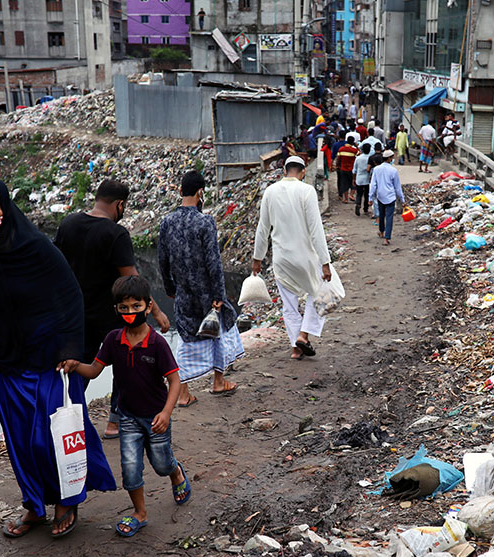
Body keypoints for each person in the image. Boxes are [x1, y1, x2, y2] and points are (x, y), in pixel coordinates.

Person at [0, 176, 116, 539]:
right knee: (21, 442)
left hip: (50, 362)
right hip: (4, 366)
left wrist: (70, 353)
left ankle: (66, 501)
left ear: (6, 207)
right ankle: (34, 504)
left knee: (52, 438)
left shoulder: (36, 249)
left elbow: (70, 298)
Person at [59, 276, 188, 538]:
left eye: (136, 306)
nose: (130, 312)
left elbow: (174, 380)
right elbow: (94, 370)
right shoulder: (113, 340)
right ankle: (140, 513)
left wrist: (166, 412)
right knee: (130, 468)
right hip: (127, 417)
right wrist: (75, 365)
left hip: (156, 418)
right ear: (116, 309)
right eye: (124, 308)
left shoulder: (157, 343)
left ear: (148, 306)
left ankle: (175, 473)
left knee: (161, 464)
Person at [55, 179, 170, 440]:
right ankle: (114, 423)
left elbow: (55, 267)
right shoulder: (115, 234)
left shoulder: (68, 224)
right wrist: (156, 311)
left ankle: (69, 420)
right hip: (112, 316)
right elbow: (132, 279)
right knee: (125, 366)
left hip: (75, 315)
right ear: (120, 205)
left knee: (77, 367)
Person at [158, 170, 244, 407]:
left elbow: (162, 260)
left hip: (183, 291)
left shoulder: (167, 222)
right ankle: (218, 381)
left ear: (180, 191)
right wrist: (218, 294)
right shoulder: (205, 222)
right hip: (206, 291)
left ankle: (183, 393)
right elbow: (213, 261)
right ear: (200, 193)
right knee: (219, 330)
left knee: (186, 339)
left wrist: (169, 287)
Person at [253, 157, 333, 360]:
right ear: (303, 172)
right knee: (319, 294)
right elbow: (316, 229)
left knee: (289, 304)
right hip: (305, 258)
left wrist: (257, 258)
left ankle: (295, 349)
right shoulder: (307, 191)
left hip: (282, 259)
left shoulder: (270, 191)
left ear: (284, 171)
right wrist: (325, 261)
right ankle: (303, 335)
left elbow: (263, 228)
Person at [369, 150, 406, 245]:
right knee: (389, 217)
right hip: (390, 196)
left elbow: (373, 185)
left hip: (380, 195)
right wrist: (402, 199)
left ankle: (381, 231)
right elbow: (397, 187)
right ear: (389, 158)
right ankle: (387, 238)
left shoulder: (376, 169)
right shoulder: (393, 170)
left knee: (381, 215)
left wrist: (370, 197)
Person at [336, 135, 359, 204]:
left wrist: (337, 166)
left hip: (343, 169)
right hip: (351, 169)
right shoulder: (354, 150)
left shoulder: (341, 149)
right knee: (353, 182)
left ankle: (345, 199)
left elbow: (338, 159)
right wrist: (357, 146)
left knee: (344, 183)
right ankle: (351, 195)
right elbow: (359, 154)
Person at [353, 143, 373, 217]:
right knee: (366, 195)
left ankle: (358, 205)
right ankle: (365, 209)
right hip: (367, 179)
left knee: (359, 194)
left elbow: (354, 170)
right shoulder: (370, 158)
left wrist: (354, 179)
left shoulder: (358, 158)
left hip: (359, 178)